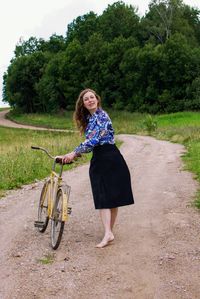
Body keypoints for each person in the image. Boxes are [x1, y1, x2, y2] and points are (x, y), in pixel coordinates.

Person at [57, 88, 134, 248]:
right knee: (107, 197)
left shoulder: (100, 116)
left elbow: (92, 141)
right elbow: (92, 143)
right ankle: (108, 232)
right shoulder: (91, 118)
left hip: (108, 157)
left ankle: (108, 233)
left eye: (92, 97)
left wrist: (73, 153)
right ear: (83, 104)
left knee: (106, 197)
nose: (90, 100)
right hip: (104, 157)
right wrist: (74, 154)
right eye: (86, 99)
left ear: (97, 100)